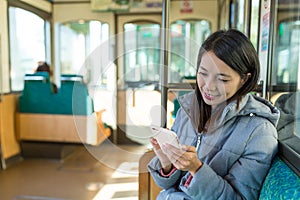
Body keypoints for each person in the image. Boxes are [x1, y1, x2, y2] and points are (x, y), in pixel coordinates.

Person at [148, 29, 279, 200]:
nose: (209, 86)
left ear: (244, 79)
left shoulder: (260, 132)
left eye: (223, 79)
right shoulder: (187, 111)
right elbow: (167, 185)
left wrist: (197, 169)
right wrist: (167, 163)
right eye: (203, 74)